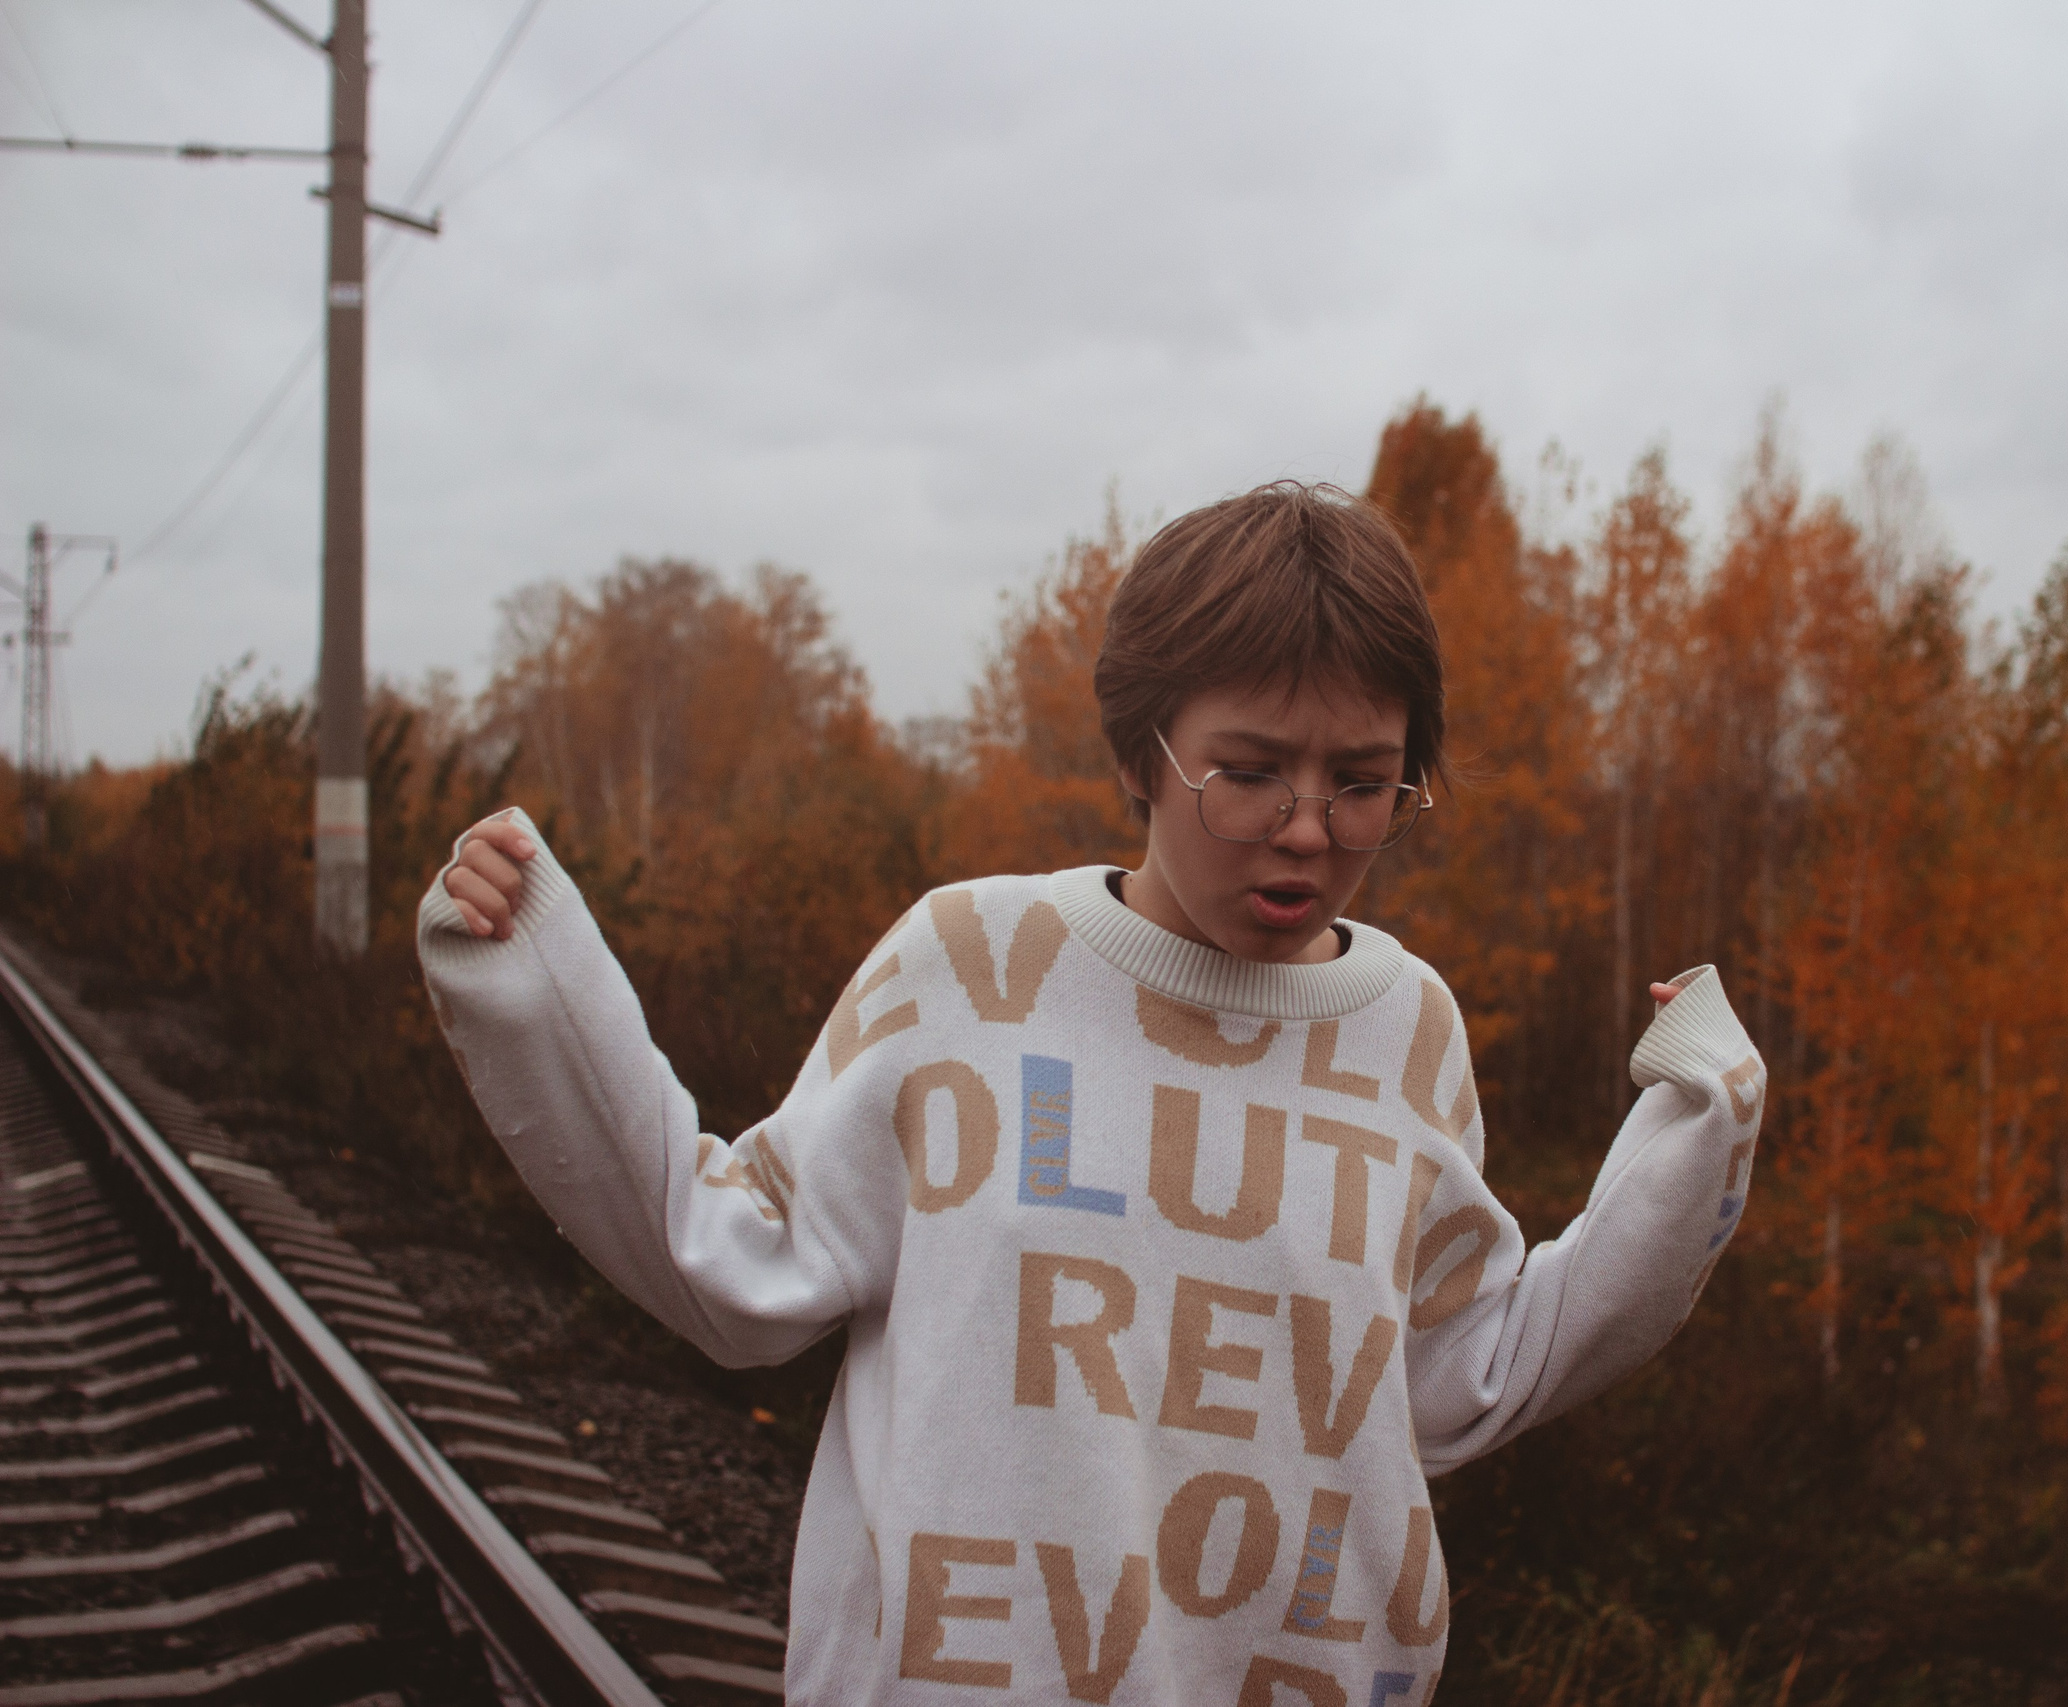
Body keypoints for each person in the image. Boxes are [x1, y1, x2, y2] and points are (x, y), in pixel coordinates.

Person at [419, 481, 1766, 1707]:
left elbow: (1459, 1373)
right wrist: (542, 988)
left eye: (1364, 783)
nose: (1309, 827)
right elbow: (732, 1261)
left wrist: (1698, 1136)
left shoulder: (1407, 1028)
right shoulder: (968, 968)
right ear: (1138, 755)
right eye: (1250, 772)